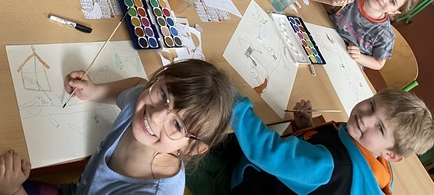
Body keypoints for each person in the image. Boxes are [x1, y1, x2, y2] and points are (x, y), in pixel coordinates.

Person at [0, 59, 234, 195]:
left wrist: (13, 191)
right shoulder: (141, 101)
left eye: (177, 124)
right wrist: (95, 91)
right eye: (163, 94)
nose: (155, 116)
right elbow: (137, 85)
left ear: (193, 147)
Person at [186, 89, 434, 194]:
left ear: (392, 155)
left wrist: (237, 104)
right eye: (371, 105)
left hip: (243, 184)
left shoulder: (332, 166)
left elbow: (267, 152)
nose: (365, 117)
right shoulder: (373, 160)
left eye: (379, 127)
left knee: (180, 152)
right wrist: (304, 128)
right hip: (262, 171)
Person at [300, 0, 419, 70]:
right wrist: (329, 0)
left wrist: (360, 57)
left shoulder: (385, 35)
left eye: (392, 2)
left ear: (395, 11)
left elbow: (378, 63)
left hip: (342, 63)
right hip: (316, 36)